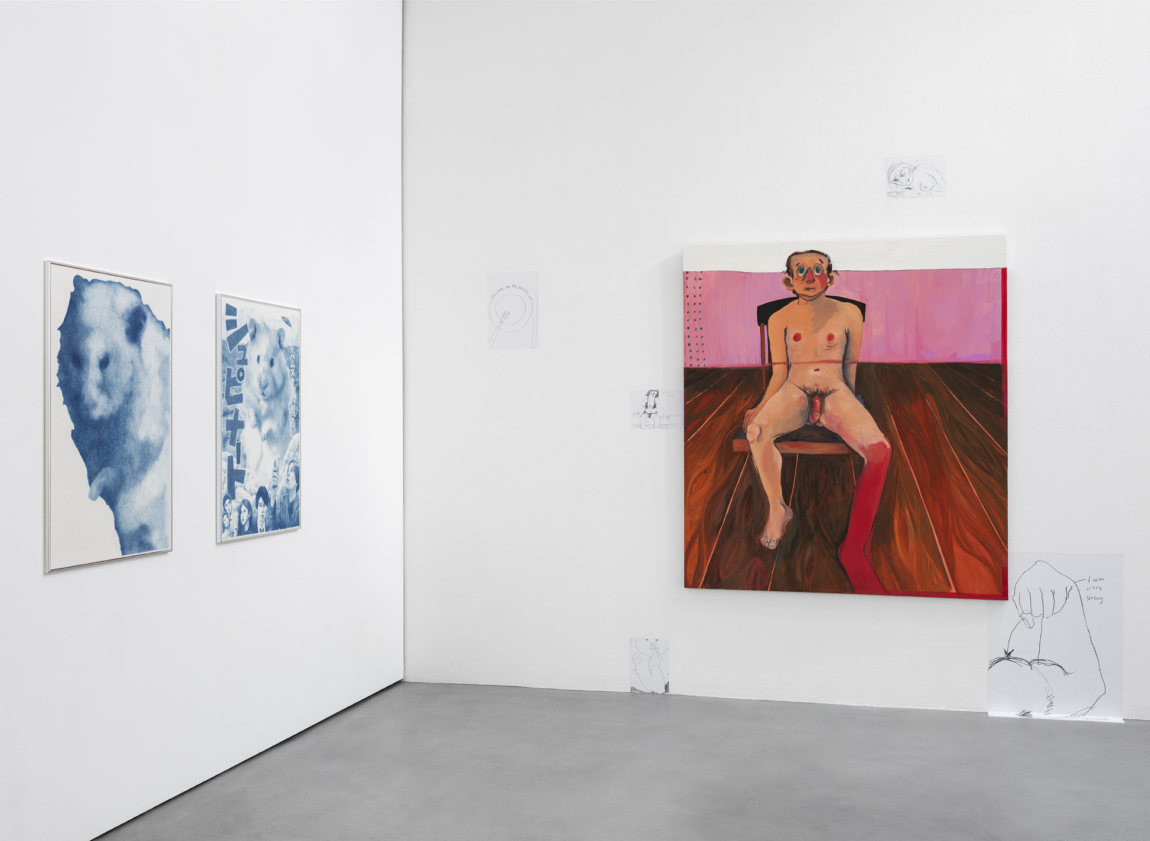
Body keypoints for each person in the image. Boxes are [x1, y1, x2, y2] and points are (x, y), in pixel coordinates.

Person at [741, 250, 891, 595]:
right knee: (756, 430)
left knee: (880, 450)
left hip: (835, 391)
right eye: (801, 271)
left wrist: (849, 408)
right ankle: (777, 508)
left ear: (830, 277)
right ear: (788, 281)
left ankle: (853, 547)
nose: (809, 277)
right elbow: (779, 372)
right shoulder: (779, 318)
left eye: (818, 269)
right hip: (795, 390)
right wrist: (761, 407)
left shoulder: (850, 314)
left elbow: (850, 369)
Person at [277, 460, 300, 529]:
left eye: (291, 470)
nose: (288, 473)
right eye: (288, 470)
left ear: (297, 481)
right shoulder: (283, 500)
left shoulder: (299, 506)